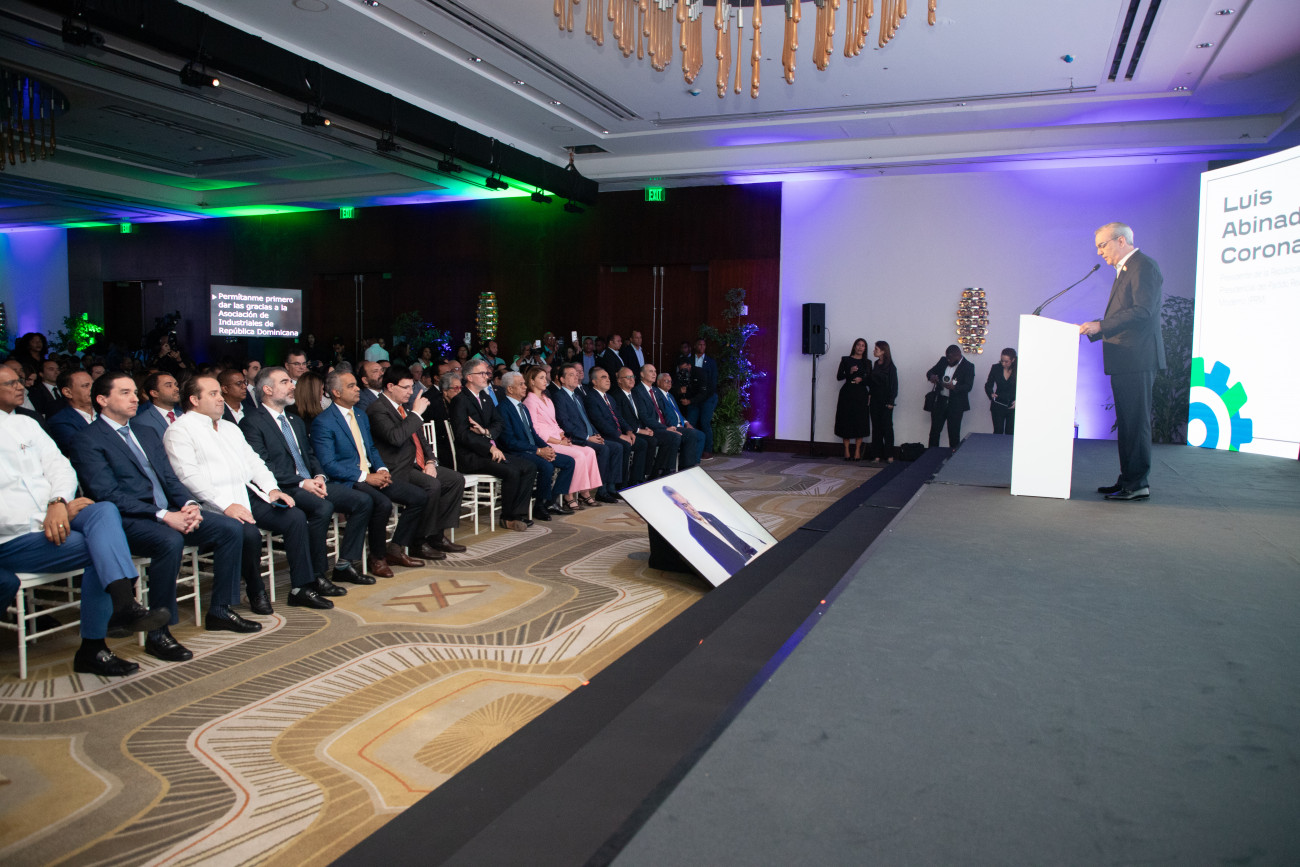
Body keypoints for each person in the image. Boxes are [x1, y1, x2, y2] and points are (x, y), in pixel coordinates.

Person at [73, 371, 262, 649]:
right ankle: (158, 632)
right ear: (102, 400)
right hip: (127, 520)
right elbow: (107, 495)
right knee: (169, 540)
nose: (134, 398)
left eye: (134, 392)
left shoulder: (145, 431)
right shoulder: (88, 439)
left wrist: (189, 505)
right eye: (124, 393)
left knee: (231, 528)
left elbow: (170, 478)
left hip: (170, 511)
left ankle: (220, 610)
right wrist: (164, 516)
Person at [1, 364, 168, 677]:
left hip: (54, 515)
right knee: (99, 550)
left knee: (103, 510)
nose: (20, 386)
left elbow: (60, 468)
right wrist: (49, 514)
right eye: (10, 383)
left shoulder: (27, 423)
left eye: (19, 380)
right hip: (14, 536)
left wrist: (58, 502)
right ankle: (100, 638)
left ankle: (122, 608)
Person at [163, 375, 335, 610]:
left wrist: (272, 489)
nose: (220, 398)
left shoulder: (229, 427)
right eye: (213, 394)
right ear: (194, 399)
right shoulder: (180, 430)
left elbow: (254, 462)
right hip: (212, 503)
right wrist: (226, 505)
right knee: (249, 533)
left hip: (246, 493)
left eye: (219, 393)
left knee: (294, 516)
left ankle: (301, 587)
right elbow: (188, 477)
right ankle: (256, 590)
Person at [240, 366, 379, 588]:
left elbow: (310, 455)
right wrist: (302, 482)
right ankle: (317, 573)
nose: (292, 386)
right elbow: (262, 464)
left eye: (290, 381)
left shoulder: (294, 419)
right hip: (285, 486)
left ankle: (344, 564)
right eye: (285, 382)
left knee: (363, 501)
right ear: (267, 389)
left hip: (312, 482)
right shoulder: (252, 421)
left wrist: (320, 476)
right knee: (322, 507)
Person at [1080, 221, 1165, 501]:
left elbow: (1142, 311)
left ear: (1121, 241)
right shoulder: (1126, 269)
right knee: (1127, 423)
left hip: (1137, 358)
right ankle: (1128, 479)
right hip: (1126, 359)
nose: (1099, 252)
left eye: (1102, 245)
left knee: (1136, 423)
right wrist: (1096, 328)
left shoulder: (1143, 266)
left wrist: (1101, 326)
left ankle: (1138, 483)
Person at [312, 371, 429, 574]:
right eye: (351, 386)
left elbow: (371, 449)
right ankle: (377, 557)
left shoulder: (360, 415)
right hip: (348, 480)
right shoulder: (324, 421)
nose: (358, 389)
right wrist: (366, 477)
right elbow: (329, 464)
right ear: (336, 392)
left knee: (419, 496)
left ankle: (395, 548)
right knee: (382, 503)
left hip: (371, 475)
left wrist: (382, 469)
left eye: (356, 384)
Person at [366, 366, 467, 558]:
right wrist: (416, 414)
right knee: (431, 485)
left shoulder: (404, 408)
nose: (410, 392)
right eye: (405, 387)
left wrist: (430, 461)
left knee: (455, 479)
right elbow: (395, 438)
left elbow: (421, 439)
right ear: (390, 386)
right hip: (395, 469)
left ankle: (437, 535)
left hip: (415, 465)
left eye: (412, 387)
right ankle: (418, 542)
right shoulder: (377, 409)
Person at [450, 359, 537, 531]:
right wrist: (489, 447)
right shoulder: (460, 400)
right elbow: (462, 435)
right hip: (471, 456)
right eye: (482, 373)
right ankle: (507, 518)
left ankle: (517, 514)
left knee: (529, 466)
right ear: (469, 377)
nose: (486, 376)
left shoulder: (486, 397)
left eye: (487, 373)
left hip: (489, 451)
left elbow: (499, 423)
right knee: (512, 471)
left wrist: (486, 432)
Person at [498, 371, 575, 518]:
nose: (525, 387)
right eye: (521, 384)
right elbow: (509, 441)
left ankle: (551, 501)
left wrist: (548, 448)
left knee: (569, 462)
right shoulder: (503, 409)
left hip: (532, 449)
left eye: (524, 383)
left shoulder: (522, 407)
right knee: (547, 466)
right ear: (510, 389)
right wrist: (538, 450)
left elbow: (533, 433)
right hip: (517, 452)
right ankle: (539, 506)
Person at [524, 366, 602, 510]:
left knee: (589, 452)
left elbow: (555, 423)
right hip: (546, 442)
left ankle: (585, 491)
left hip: (557, 438)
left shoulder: (547, 399)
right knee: (578, 455)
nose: (545, 380)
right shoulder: (530, 401)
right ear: (532, 381)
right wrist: (559, 441)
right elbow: (536, 430)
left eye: (545, 377)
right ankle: (569, 495)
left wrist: (563, 436)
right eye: (541, 378)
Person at [550, 363, 620, 502]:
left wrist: (595, 434)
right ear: (562, 379)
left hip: (588, 435)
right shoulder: (559, 396)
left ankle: (611, 487)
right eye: (571, 375)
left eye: (576, 375)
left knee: (617, 447)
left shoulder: (577, 396)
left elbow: (586, 419)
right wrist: (587, 437)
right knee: (604, 449)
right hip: (575, 438)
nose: (576, 377)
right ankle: (600, 491)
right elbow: (565, 423)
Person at [663, 486, 758, 576]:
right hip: (738, 568)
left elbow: (733, 537)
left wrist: (753, 552)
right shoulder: (694, 530)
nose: (692, 508)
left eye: (689, 502)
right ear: (678, 506)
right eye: (685, 505)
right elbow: (718, 556)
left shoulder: (708, 515)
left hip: (749, 558)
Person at [584, 367, 649, 486]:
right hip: (604, 434)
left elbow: (619, 418)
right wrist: (619, 435)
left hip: (615, 433)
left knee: (641, 444)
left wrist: (629, 431)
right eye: (604, 377)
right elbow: (599, 422)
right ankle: (619, 485)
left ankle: (635, 481)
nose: (608, 380)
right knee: (624, 444)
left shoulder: (609, 397)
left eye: (608, 378)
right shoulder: (591, 398)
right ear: (594, 381)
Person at [925, 344, 975, 449]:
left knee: (954, 434)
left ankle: (953, 456)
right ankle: (931, 455)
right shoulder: (943, 360)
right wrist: (932, 376)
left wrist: (954, 387)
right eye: (947, 358)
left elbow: (968, 386)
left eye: (950, 359)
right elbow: (929, 372)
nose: (948, 361)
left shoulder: (968, 366)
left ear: (958, 355)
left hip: (956, 405)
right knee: (934, 431)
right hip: (940, 402)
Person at [655, 371, 705, 470]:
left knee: (701, 435)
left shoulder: (670, 396)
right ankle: (686, 467)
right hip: (671, 426)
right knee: (691, 434)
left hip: (681, 424)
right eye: (666, 381)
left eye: (670, 381)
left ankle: (694, 463)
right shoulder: (657, 395)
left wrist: (686, 422)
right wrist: (676, 425)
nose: (669, 383)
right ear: (658, 382)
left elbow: (677, 413)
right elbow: (664, 415)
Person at [834, 338, 871, 460]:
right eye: (858, 345)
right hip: (847, 393)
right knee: (846, 420)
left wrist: (862, 380)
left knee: (860, 421)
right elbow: (839, 377)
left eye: (863, 346)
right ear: (854, 347)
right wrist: (849, 372)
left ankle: (857, 451)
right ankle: (846, 450)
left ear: (865, 349)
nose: (860, 347)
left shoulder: (868, 362)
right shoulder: (846, 359)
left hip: (861, 393)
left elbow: (870, 380)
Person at [46, 368, 95, 456]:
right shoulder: (59, 422)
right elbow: (84, 450)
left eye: (93, 384)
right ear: (68, 392)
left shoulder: (105, 412)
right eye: (85, 386)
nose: (93, 389)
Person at [686, 338, 719, 459]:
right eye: (699, 344)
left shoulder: (710, 362)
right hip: (693, 398)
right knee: (690, 422)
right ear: (695, 346)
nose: (701, 347)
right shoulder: (689, 360)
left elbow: (713, 382)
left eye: (704, 345)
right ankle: (691, 449)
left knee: (705, 423)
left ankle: (707, 450)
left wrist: (702, 396)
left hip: (707, 397)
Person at [869, 341, 898, 462]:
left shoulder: (891, 367)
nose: (874, 351)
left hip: (886, 401)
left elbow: (894, 385)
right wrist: (870, 395)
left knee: (887, 428)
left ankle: (889, 455)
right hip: (875, 399)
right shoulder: (876, 364)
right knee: (876, 428)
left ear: (883, 351)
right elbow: (873, 382)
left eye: (876, 349)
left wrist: (891, 401)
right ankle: (877, 454)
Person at [131, 371, 182, 440]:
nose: (177, 389)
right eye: (169, 385)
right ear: (154, 393)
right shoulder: (141, 422)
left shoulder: (183, 415)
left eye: (176, 385)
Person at [985, 348, 1017, 435]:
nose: (1003, 363)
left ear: (1013, 360)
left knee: (1010, 433)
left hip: (1013, 406)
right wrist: (991, 393)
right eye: (1002, 361)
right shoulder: (996, 368)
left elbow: (1025, 388)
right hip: (998, 404)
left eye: (1006, 361)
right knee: (998, 432)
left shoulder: (1019, 369)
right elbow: (988, 385)